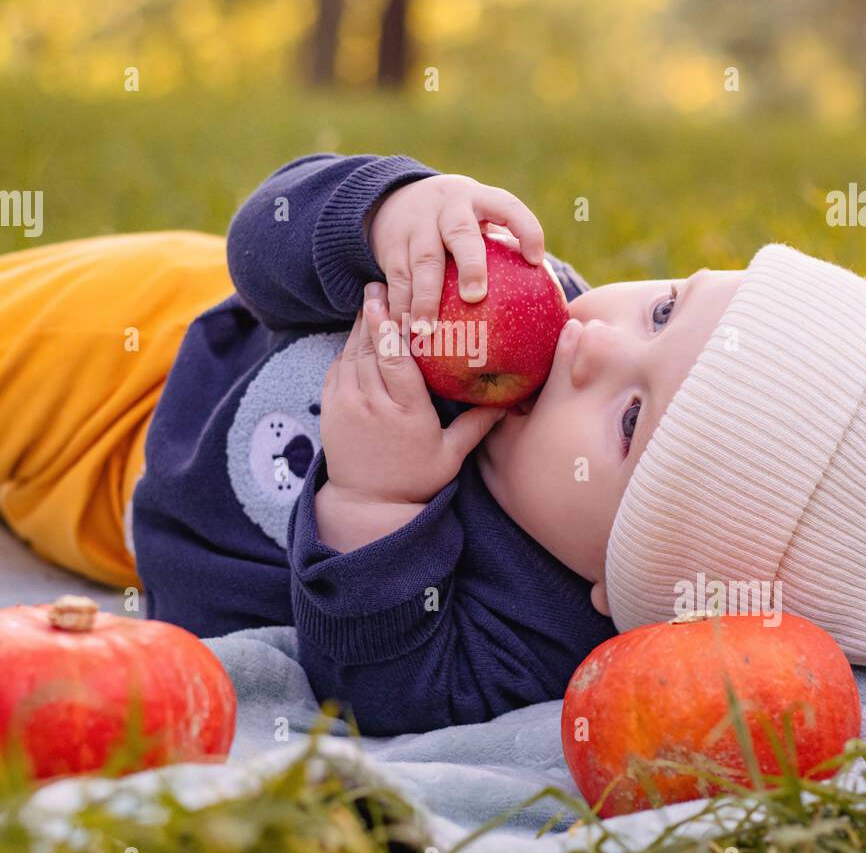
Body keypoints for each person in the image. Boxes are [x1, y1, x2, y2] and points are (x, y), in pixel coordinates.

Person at [0, 152, 746, 733]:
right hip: (144, 349)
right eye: (662, 310)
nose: (594, 345)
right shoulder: (506, 283)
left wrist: (376, 500)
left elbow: (376, 693)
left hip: (112, 517)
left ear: (627, 587)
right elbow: (264, 233)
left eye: (629, 418)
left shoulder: (539, 641)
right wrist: (385, 213)